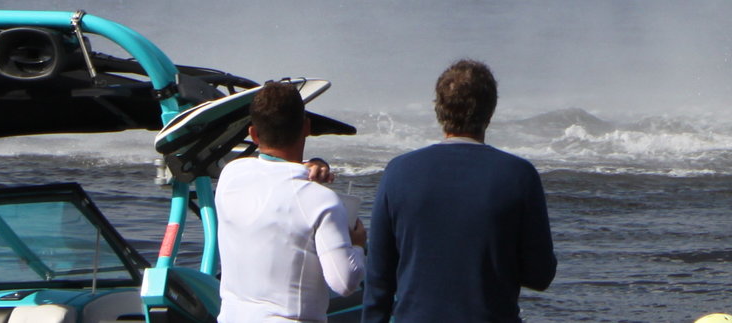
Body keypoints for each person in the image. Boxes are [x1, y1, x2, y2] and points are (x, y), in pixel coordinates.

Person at [363, 59, 554, 323]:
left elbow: (378, 278)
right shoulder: (518, 175)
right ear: (490, 111)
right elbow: (540, 275)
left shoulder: (399, 172)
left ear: (439, 109)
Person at [215, 81, 366, 323]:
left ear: (253, 133)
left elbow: (273, 175)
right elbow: (344, 282)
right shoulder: (322, 201)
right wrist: (358, 246)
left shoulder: (230, 176)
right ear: (307, 127)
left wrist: (312, 165)